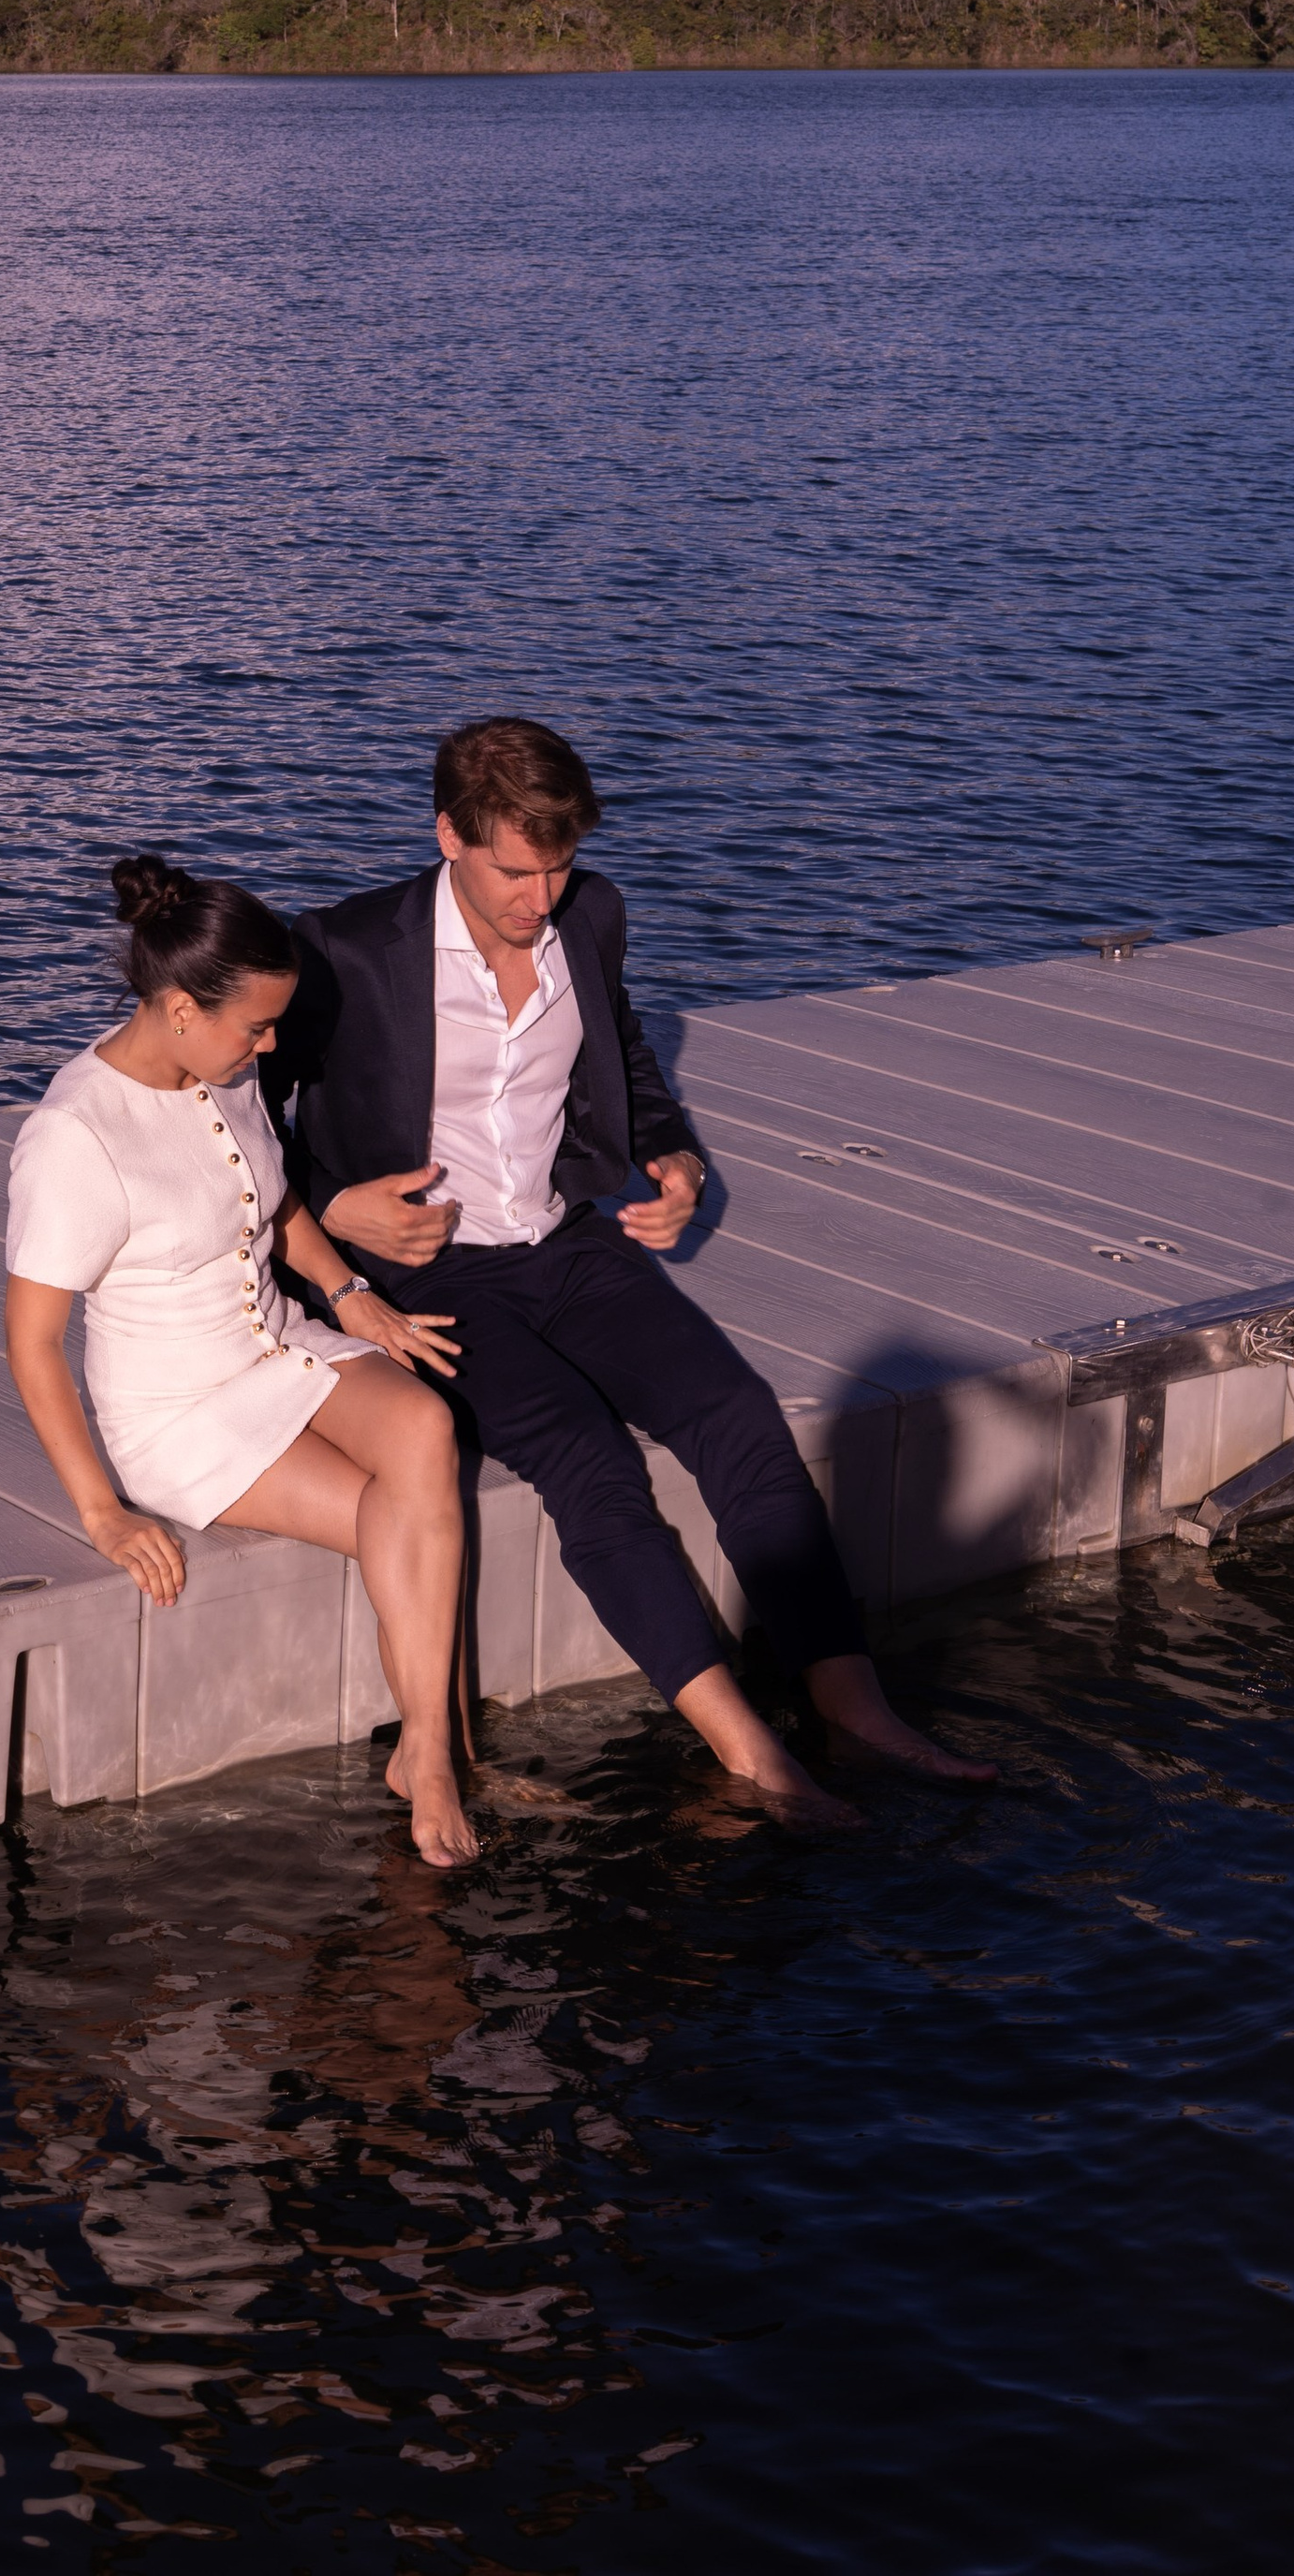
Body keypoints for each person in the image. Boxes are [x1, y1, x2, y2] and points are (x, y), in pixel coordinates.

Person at [265, 717, 995, 1821]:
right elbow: (227, 1114)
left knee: (735, 1413)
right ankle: (746, 1748)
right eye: (515, 868)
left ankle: (852, 1704)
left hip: (565, 1240)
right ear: (447, 836)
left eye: (556, 865)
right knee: (586, 1459)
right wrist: (332, 1213)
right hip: (430, 1271)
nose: (539, 896)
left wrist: (673, 1155)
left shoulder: (590, 916)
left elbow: (625, 1054)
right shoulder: (342, 949)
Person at [4, 854, 482, 1868]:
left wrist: (356, 1296)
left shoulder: (225, 1067)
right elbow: (33, 1340)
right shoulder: (75, 1136)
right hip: (180, 1411)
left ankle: (426, 1747)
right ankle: (430, 1754)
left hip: (281, 1343)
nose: (269, 1045)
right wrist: (103, 1511)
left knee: (426, 1429)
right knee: (385, 1510)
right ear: (179, 1008)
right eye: (254, 1027)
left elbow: (278, 1202)